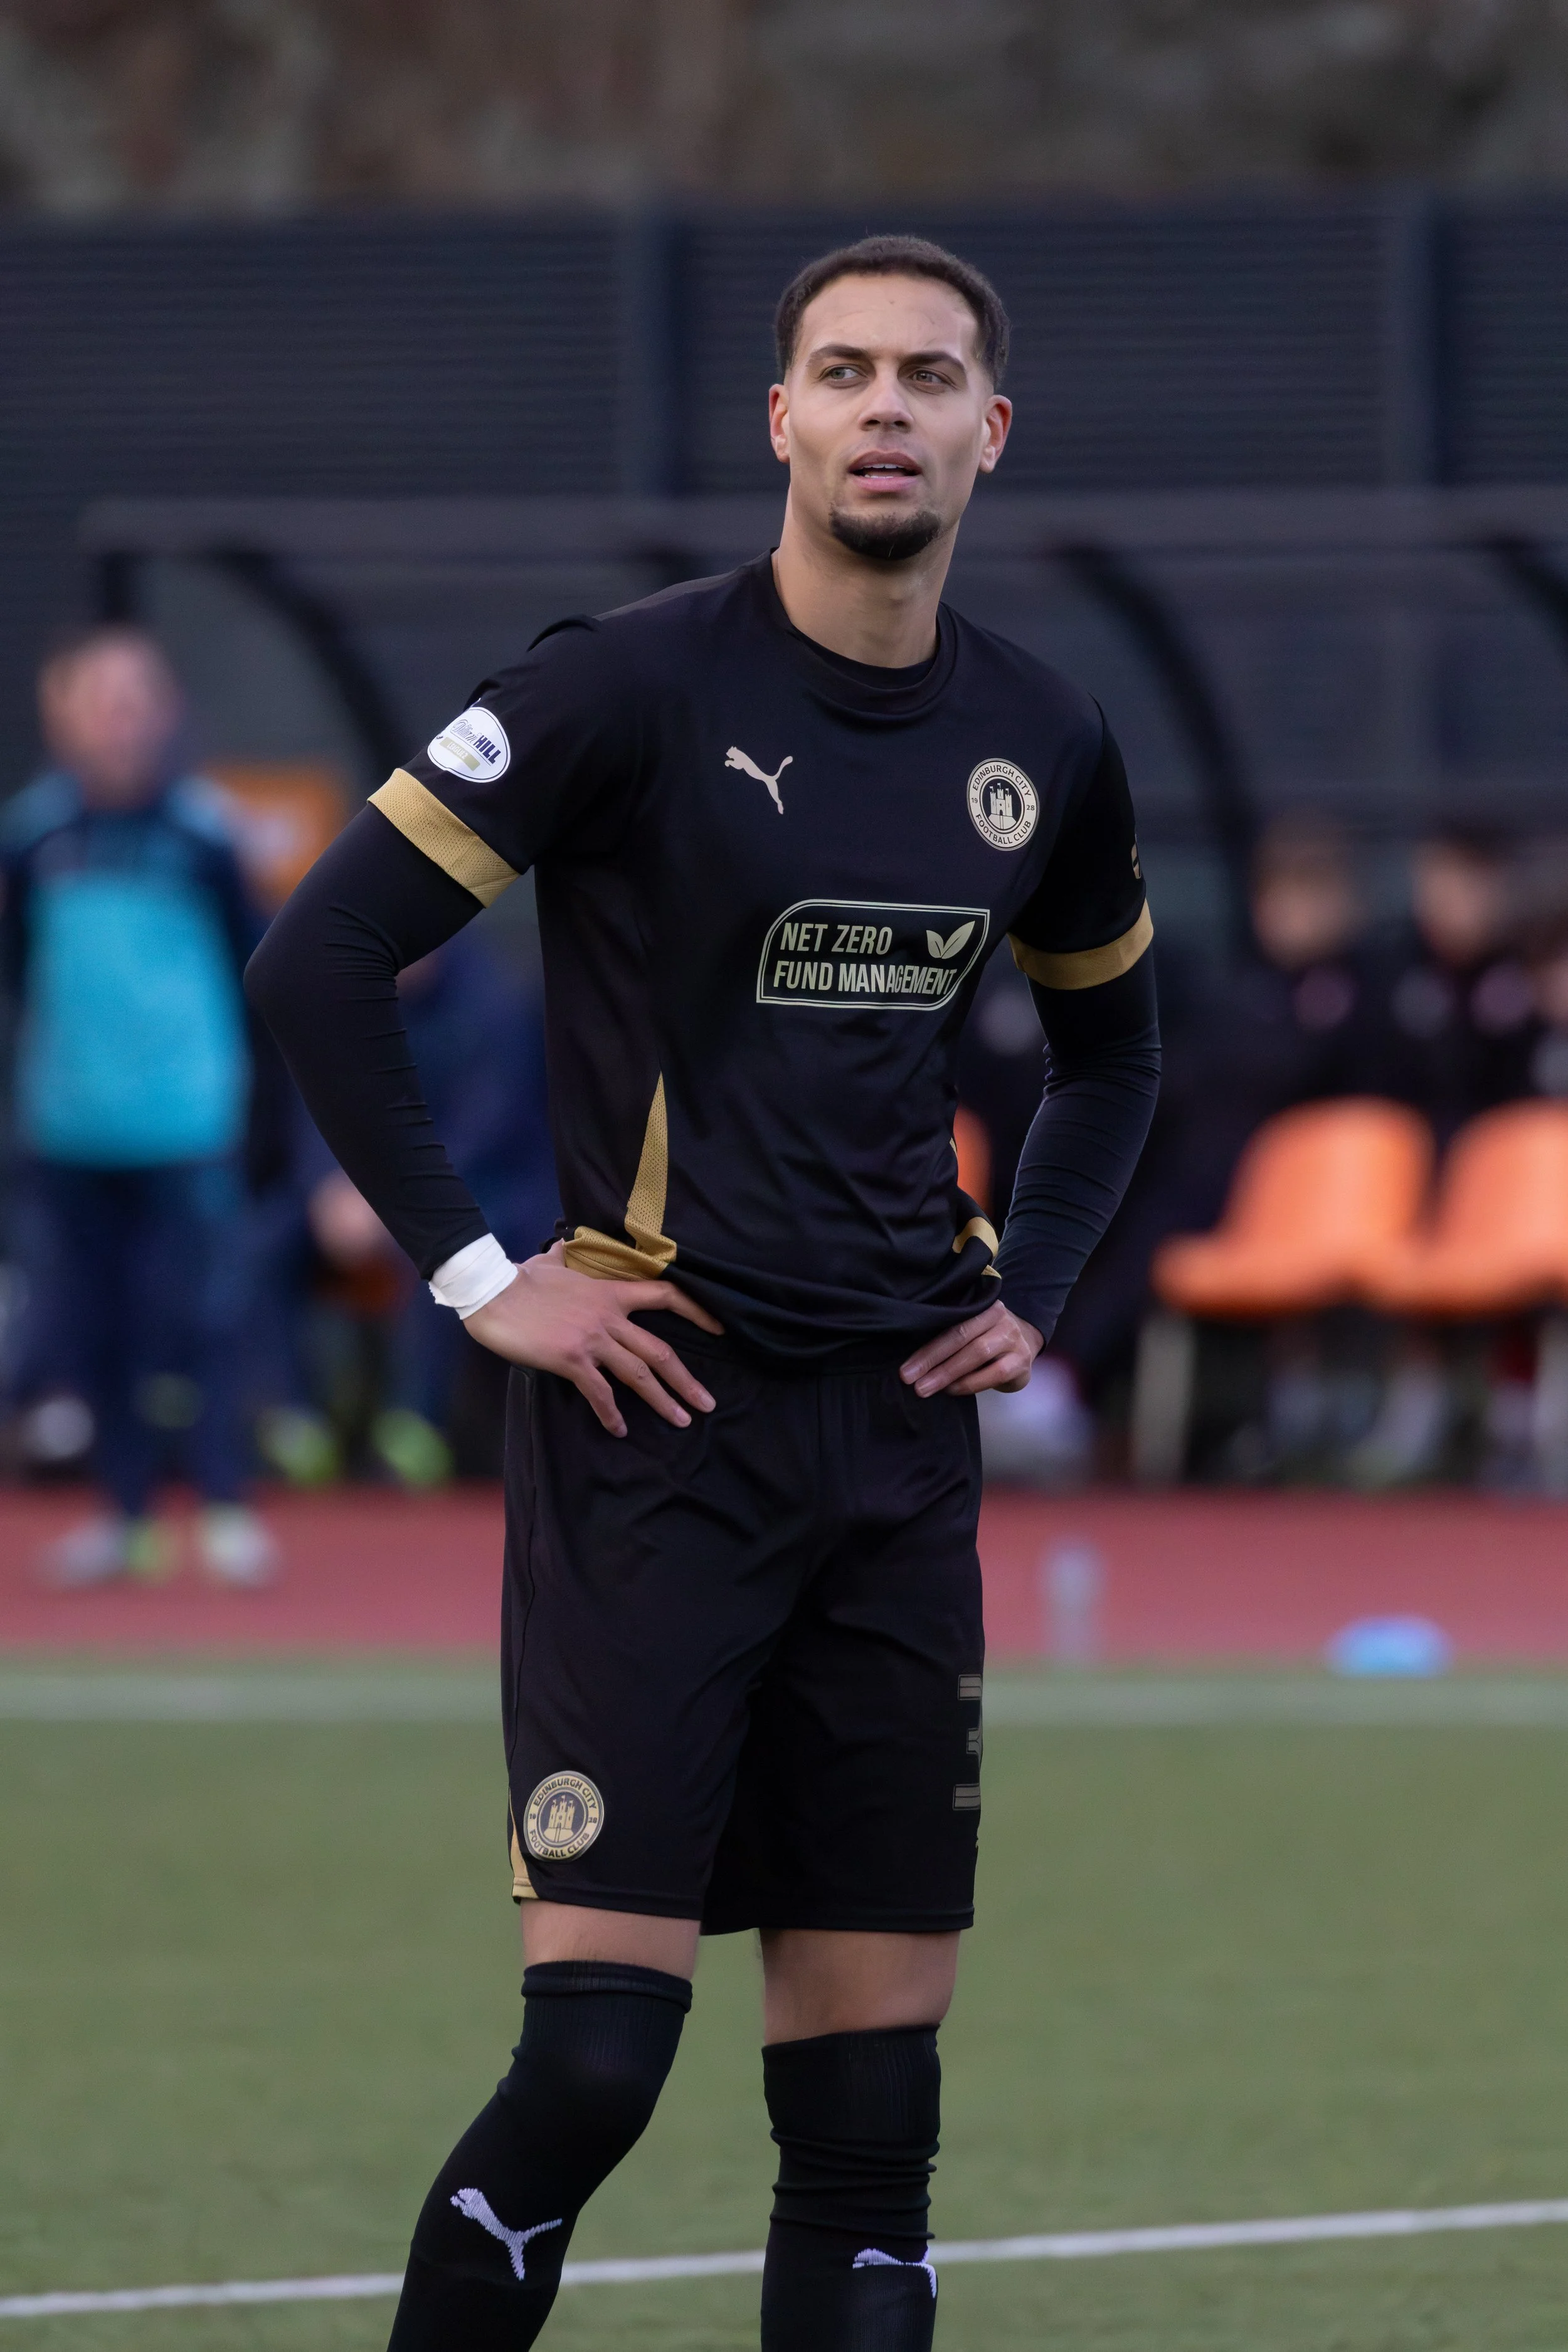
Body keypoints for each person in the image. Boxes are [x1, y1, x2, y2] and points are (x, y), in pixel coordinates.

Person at [249, 235, 1159, 2352]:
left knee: (870, 2139)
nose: (884, 410)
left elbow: (1114, 1052)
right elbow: (323, 956)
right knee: (593, 2068)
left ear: (987, 435)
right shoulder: (628, 686)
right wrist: (484, 1278)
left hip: (900, 1456)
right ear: (780, 420)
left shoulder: (1046, 731)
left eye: (929, 378)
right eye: (841, 372)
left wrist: (1035, 1274)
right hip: (656, 1433)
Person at [0, 626, 275, 1586]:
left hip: (188, 1126)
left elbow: (261, 969)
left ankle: (227, 1506)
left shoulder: (206, 836)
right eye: (98, 701)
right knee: (94, 1329)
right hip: (69, 1130)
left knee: (204, 1319)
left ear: (163, 714)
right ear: (61, 715)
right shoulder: (32, 836)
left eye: (134, 699)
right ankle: (125, 1517)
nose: (118, 721)